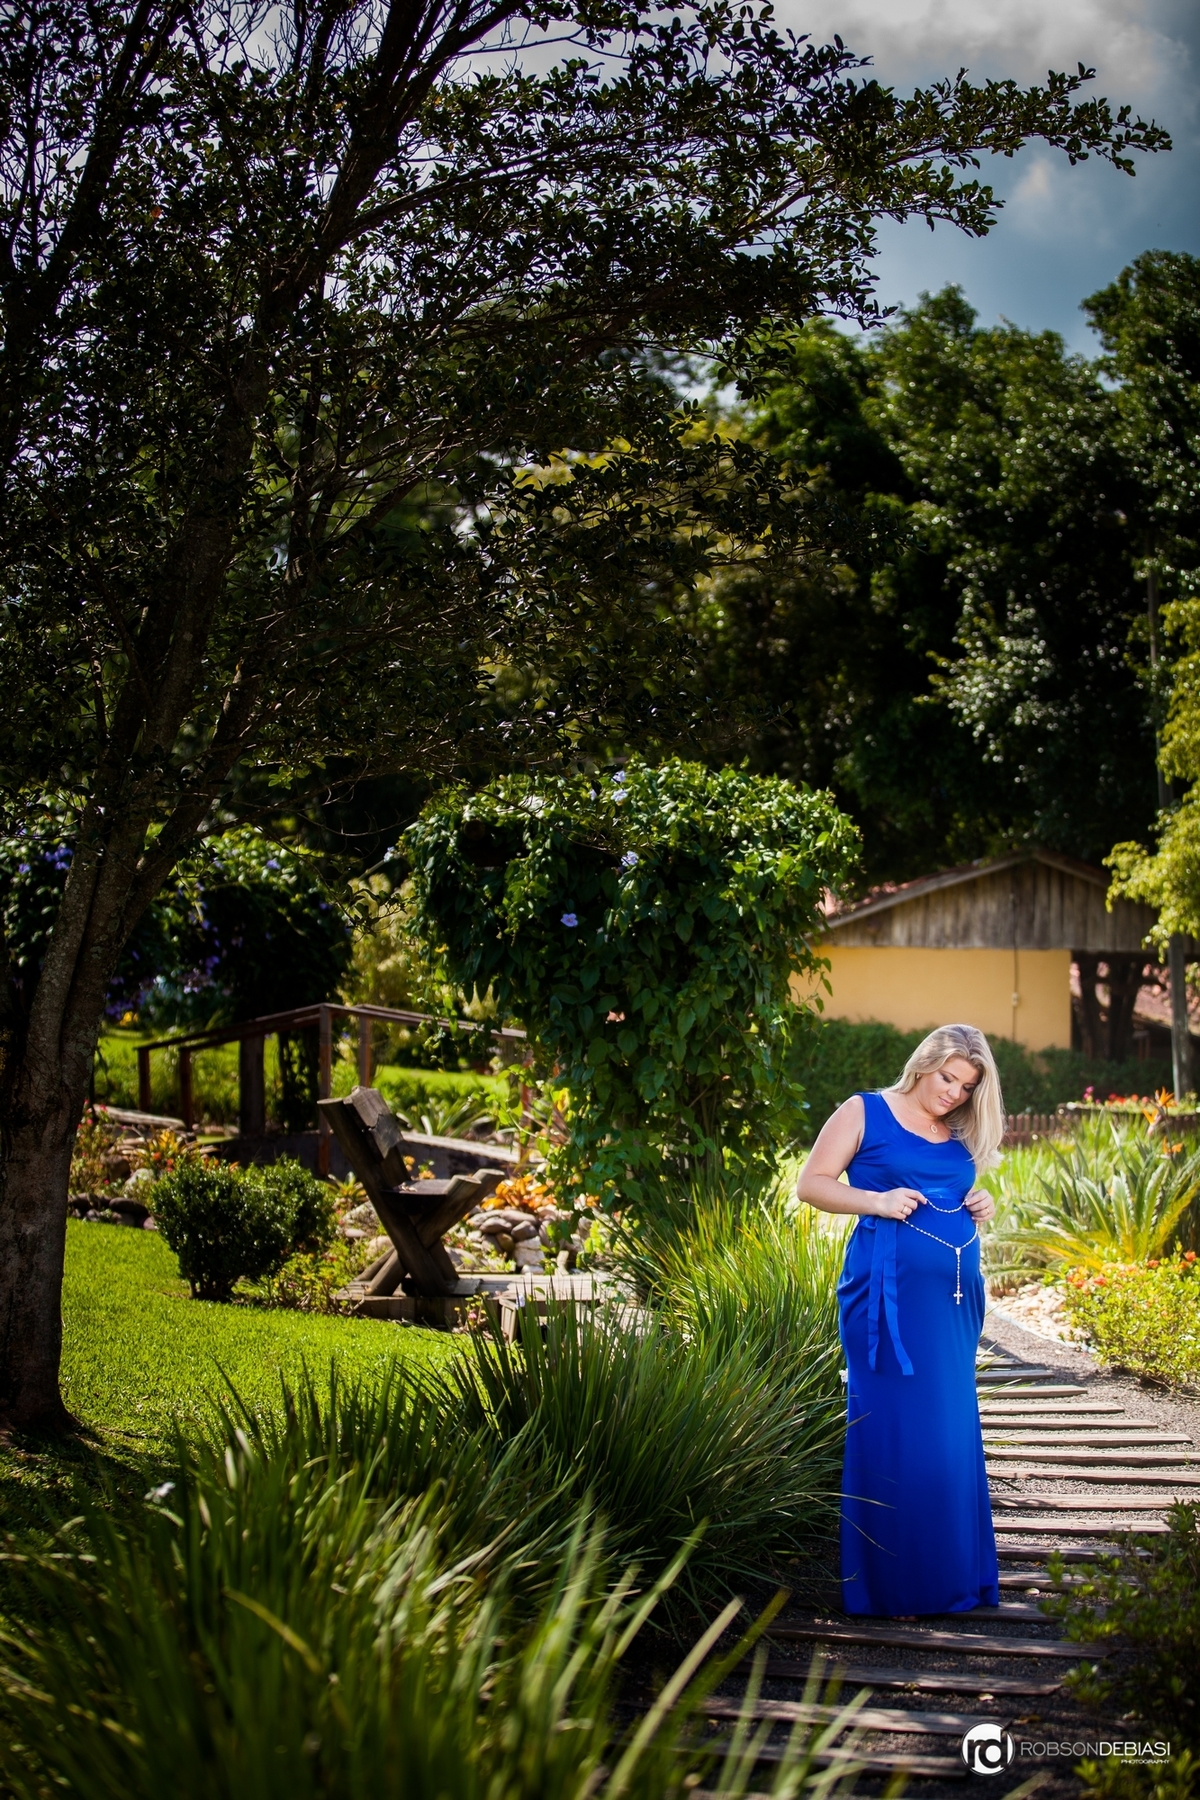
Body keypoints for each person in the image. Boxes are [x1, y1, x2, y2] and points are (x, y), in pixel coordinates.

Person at [796, 1023, 1003, 1618]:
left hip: (953, 1303)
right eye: (948, 1078)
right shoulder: (864, 1111)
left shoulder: (956, 1129)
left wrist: (981, 1204)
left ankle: (954, 1579)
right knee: (894, 1429)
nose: (954, 1093)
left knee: (948, 1429)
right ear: (924, 1063)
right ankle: (897, 1588)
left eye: (966, 1086)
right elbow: (811, 1185)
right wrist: (877, 1201)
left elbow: (951, 1194)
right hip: (884, 1299)